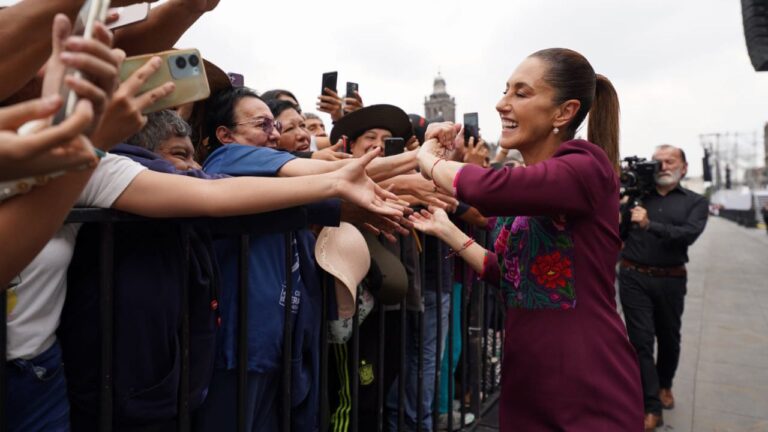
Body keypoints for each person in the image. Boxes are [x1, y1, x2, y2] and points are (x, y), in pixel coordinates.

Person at [408, 48, 643, 431]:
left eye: (521, 93)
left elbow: (486, 188)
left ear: (564, 112)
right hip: (528, 380)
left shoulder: (586, 165)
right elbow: (513, 277)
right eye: (505, 91)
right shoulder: (538, 184)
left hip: (584, 379)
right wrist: (446, 230)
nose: (502, 103)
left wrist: (429, 159)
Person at [618, 144, 709, 430]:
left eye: (670, 161)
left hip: (671, 278)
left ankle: (664, 384)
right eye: (658, 162)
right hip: (633, 276)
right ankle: (651, 407)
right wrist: (622, 208)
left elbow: (688, 235)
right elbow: (619, 233)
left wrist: (650, 225)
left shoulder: (695, 202)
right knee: (641, 341)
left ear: (684, 167)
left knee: (669, 338)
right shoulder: (637, 197)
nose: (664, 167)